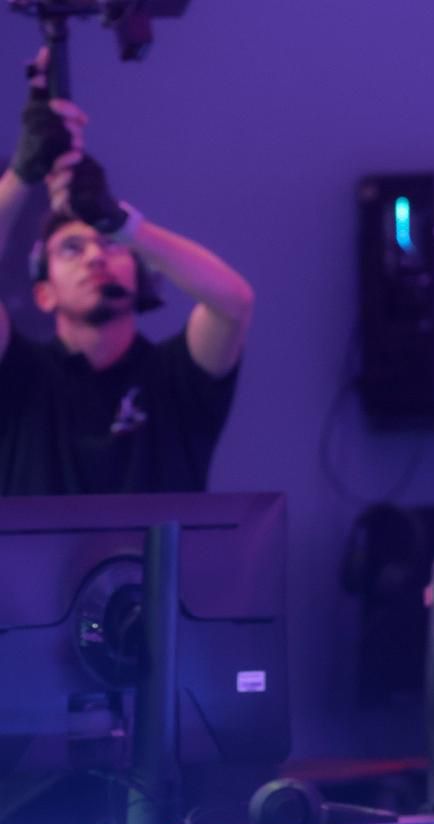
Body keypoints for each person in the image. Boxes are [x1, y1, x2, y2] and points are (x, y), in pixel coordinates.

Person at [0, 50, 254, 495]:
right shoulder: (20, 376)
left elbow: (233, 303)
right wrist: (21, 174)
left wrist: (125, 225)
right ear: (43, 293)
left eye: (110, 246)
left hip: (160, 547)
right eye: (71, 249)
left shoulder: (176, 377)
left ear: (138, 276)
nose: (95, 257)